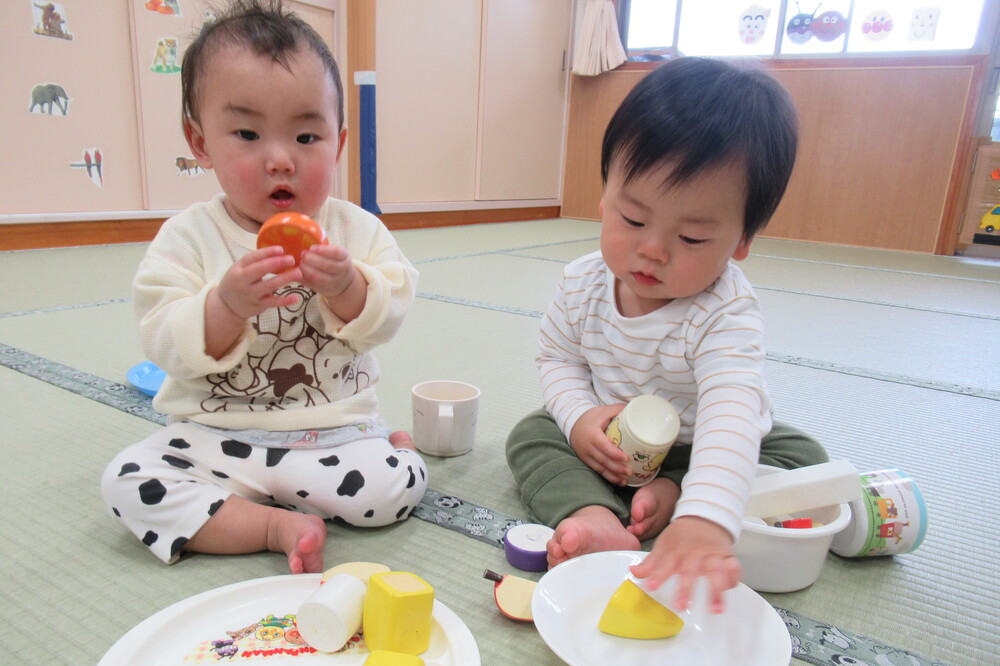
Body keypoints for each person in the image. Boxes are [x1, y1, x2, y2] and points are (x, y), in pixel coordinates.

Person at [102, 0, 427, 574]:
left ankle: (395, 449)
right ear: (200, 141)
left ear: (339, 142)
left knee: (387, 495)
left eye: (306, 137)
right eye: (248, 133)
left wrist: (349, 285)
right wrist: (224, 304)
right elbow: (161, 338)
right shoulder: (188, 237)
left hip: (329, 431)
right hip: (213, 434)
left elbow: (392, 310)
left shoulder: (357, 230)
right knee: (128, 481)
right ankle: (273, 525)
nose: (281, 160)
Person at [506, 57, 828, 613]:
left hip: (695, 442)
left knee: (803, 458)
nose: (652, 250)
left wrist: (704, 521)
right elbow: (556, 358)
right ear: (607, 198)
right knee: (531, 435)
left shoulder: (724, 311)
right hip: (610, 442)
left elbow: (731, 409)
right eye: (632, 220)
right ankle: (594, 515)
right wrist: (581, 418)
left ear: (741, 241)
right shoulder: (582, 283)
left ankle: (677, 494)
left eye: (692, 236)